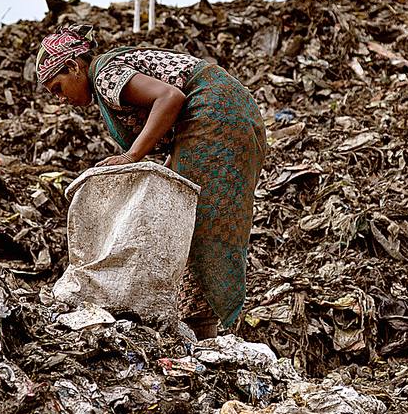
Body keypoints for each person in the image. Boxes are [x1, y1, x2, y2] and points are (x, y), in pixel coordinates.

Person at [36, 24, 266, 338]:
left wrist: (132, 157)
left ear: (74, 67)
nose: (61, 99)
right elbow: (176, 138)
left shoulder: (104, 74)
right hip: (230, 112)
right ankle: (204, 330)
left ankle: (205, 330)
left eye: (58, 88)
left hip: (215, 114)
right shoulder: (109, 77)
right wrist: (166, 178)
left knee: (198, 226)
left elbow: (170, 97)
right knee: (194, 217)